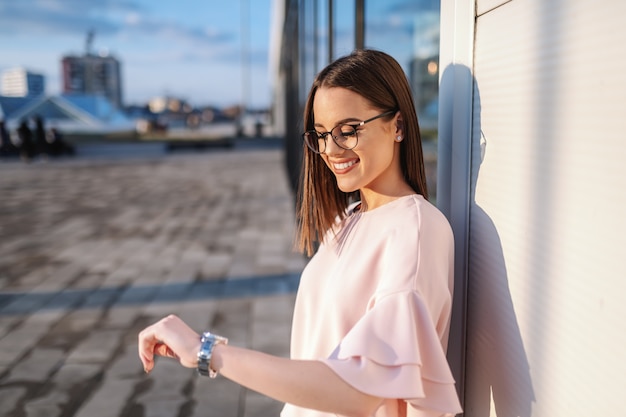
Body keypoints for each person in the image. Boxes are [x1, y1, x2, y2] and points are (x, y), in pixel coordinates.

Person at [138, 49, 463, 417]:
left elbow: (361, 391)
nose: (330, 150)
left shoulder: (416, 231)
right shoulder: (348, 218)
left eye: (348, 131)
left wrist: (207, 351)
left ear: (398, 126)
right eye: (321, 134)